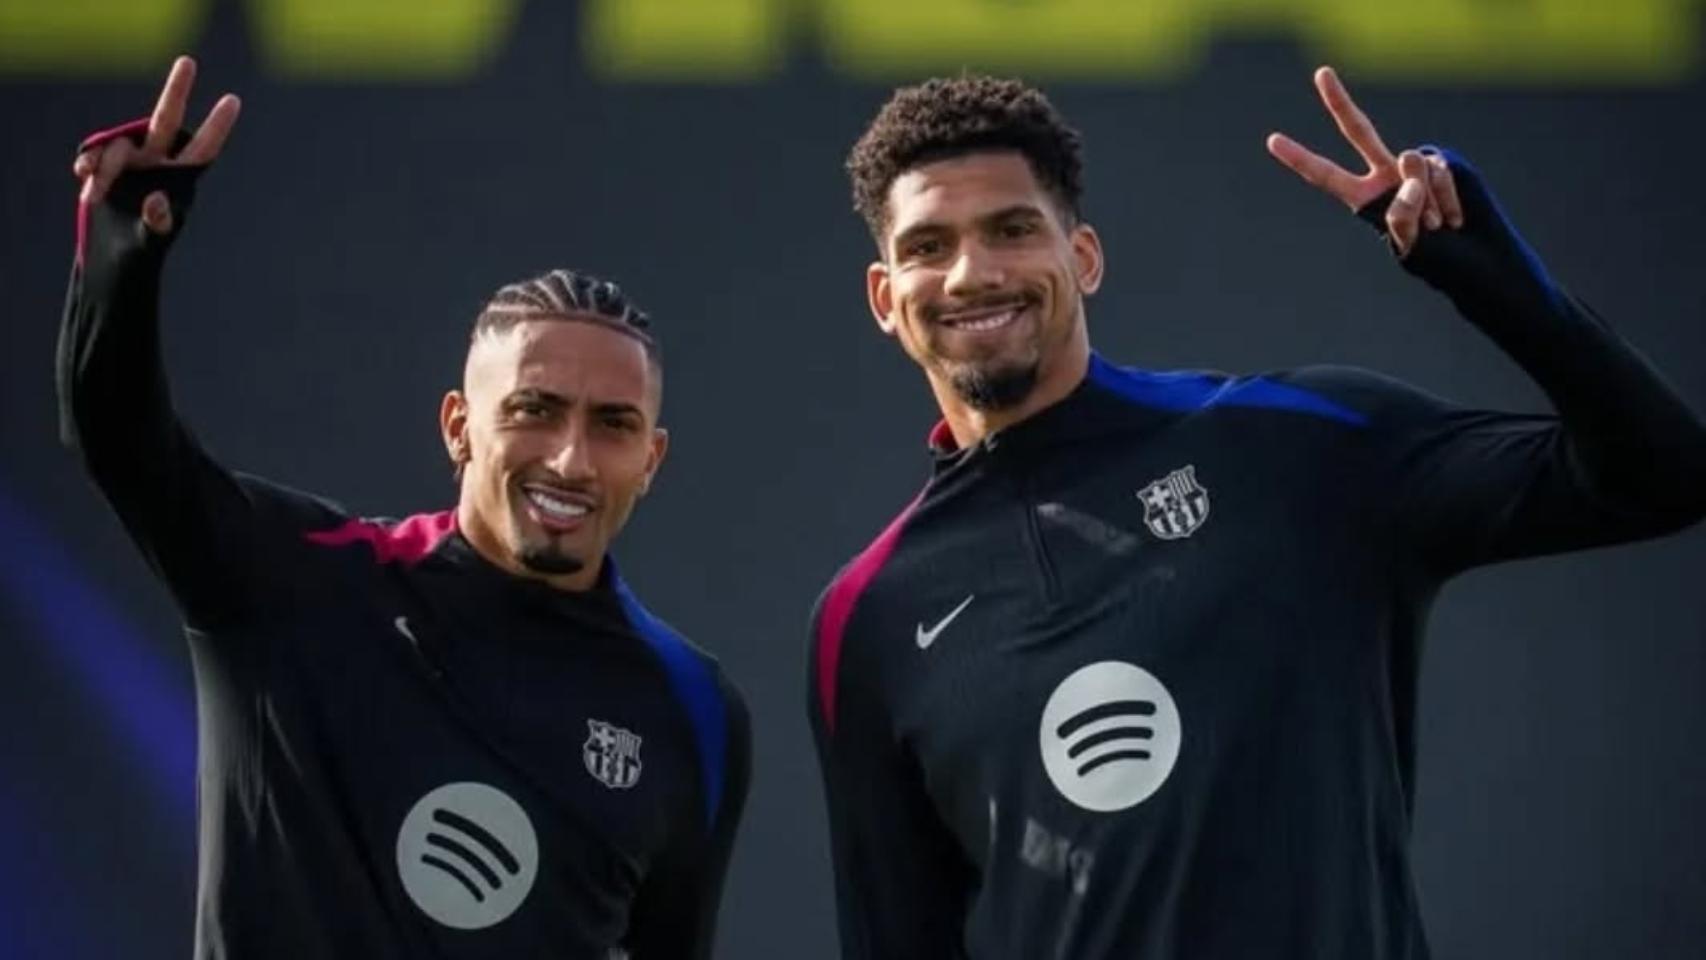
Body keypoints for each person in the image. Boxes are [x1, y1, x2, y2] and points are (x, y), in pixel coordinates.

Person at [807, 68, 1706, 959]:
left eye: (1012, 230)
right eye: (929, 246)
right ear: (887, 298)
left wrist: (1494, 279)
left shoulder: (1301, 445)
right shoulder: (868, 618)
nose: (973, 272)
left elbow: (1662, 475)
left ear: (1082, 256)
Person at [60, 57, 748, 959]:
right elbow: (118, 436)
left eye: (613, 426)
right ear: (459, 427)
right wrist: (123, 252)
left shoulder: (694, 711)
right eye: (533, 411)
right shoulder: (291, 580)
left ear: (651, 459)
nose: (571, 458)